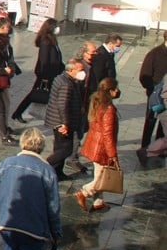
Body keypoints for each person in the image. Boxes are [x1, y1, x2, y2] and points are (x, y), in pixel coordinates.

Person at [76, 78, 120, 212]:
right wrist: (113, 155)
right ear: (110, 91)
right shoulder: (109, 109)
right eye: (115, 89)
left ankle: (98, 202)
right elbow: (107, 135)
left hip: (94, 143)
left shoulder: (97, 102)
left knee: (99, 174)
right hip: (102, 148)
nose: (118, 91)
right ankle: (83, 193)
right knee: (102, 179)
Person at [11, 18, 64, 123]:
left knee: (35, 94)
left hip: (51, 74)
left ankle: (18, 113)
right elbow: (44, 61)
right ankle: (18, 113)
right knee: (35, 94)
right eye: (56, 26)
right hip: (46, 75)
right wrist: (45, 77)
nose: (58, 28)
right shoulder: (46, 42)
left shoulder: (52, 40)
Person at [43, 58, 86, 180]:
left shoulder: (64, 79)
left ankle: (57, 172)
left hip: (58, 120)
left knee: (59, 147)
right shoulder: (66, 84)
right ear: (71, 70)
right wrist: (65, 124)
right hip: (62, 122)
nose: (83, 73)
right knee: (66, 149)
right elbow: (63, 105)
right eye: (80, 70)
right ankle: (44, 165)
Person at [138, 31, 167, 155]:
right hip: (155, 94)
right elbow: (144, 75)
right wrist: (152, 89)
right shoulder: (155, 54)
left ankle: (159, 147)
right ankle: (144, 146)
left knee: (164, 122)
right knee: (150, 120)